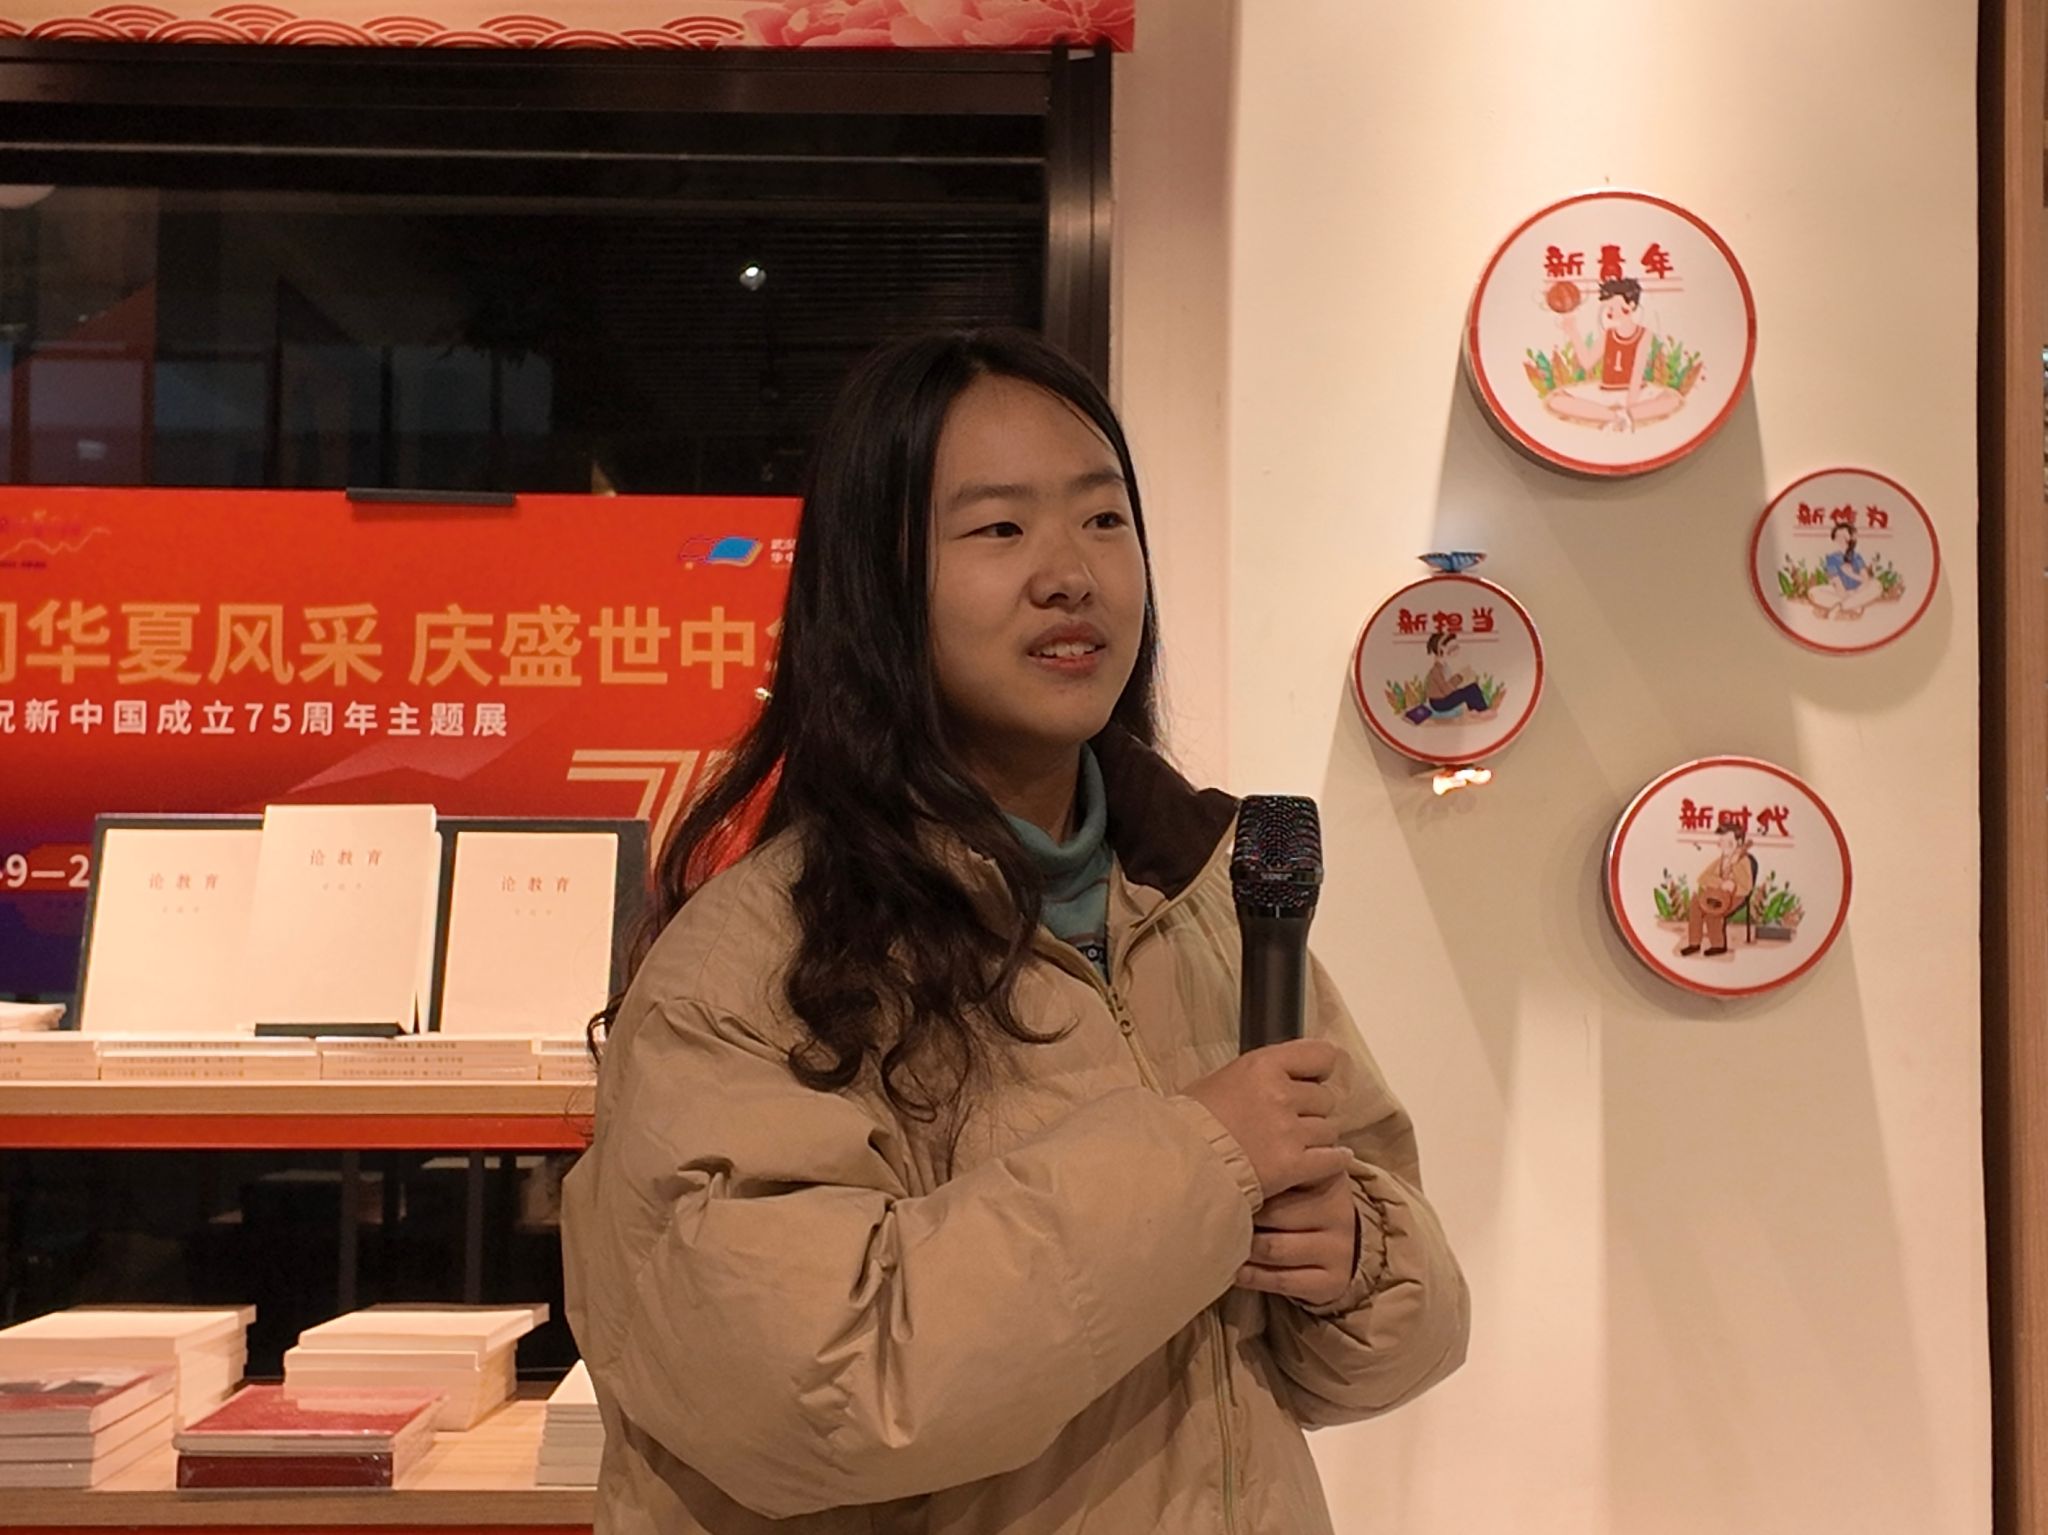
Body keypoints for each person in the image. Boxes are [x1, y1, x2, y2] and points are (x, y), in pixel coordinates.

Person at [561, 329, 1469, 1535]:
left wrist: (1352, 1256)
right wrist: (1199, 1160)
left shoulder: (1208, 898)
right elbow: (808, 1393)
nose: (1070, 573)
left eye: (1103, 519)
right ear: (876, 584)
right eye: (998, 528)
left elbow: (1377, 1343)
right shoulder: (749, 966)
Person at [1543, 276, 1683, 434]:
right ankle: (1615, 416)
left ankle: (1623, 415)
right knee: (1556, 401)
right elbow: (1587, 362)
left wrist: (1630, 404)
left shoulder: (1644, 334)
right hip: (1605, 392)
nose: (1609, 311)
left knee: (1672, 400)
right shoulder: (1609, 334)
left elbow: (1637, 372)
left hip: (1636, 393)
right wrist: (1573, 332)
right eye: (1608, 307)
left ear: (1630, 305)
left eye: (1613, 306)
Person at [1681, 819, 1755, 958]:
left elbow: (1746, 887)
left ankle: (1718, 945)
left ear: (1738, 842)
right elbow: (1703, 878)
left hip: (1736, 896)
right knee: (1696, 903)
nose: (1723, 844)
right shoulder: (1721, 860)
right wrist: (1720, 883)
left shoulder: (1743, 861)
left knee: (1713, 910)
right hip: (1718, 893)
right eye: (1722, 840)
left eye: (1729, 841)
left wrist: (1733, 884)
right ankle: (1694, 943)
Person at [1807, 522, 1887, 620]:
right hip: (1840, 592)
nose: (1841, 539)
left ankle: (1839, 607)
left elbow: (1865, 580)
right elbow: (1837, 584)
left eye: (1844, 536)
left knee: (1876, 585)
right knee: (1813, 592)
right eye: (1838, 536)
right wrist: (1846, 596)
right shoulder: (1832, 558)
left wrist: (1851, 574)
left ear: (1850, 538)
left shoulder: (1856, 556)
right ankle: (1854, 605)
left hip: (1859, 590)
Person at [1420, 630, 1493, 720]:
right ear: (1442, 649)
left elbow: (1449, 686)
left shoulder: (1444, 666)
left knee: (1470, 688)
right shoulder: (1436, 670)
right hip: (1439, 702)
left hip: (1443, 698)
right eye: (1453, 648)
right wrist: (1460, 677)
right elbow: (1445, 690)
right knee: (1471, 689)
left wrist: (1462, 679)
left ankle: (1474, 710)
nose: (1456, 651)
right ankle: (1482, 710)